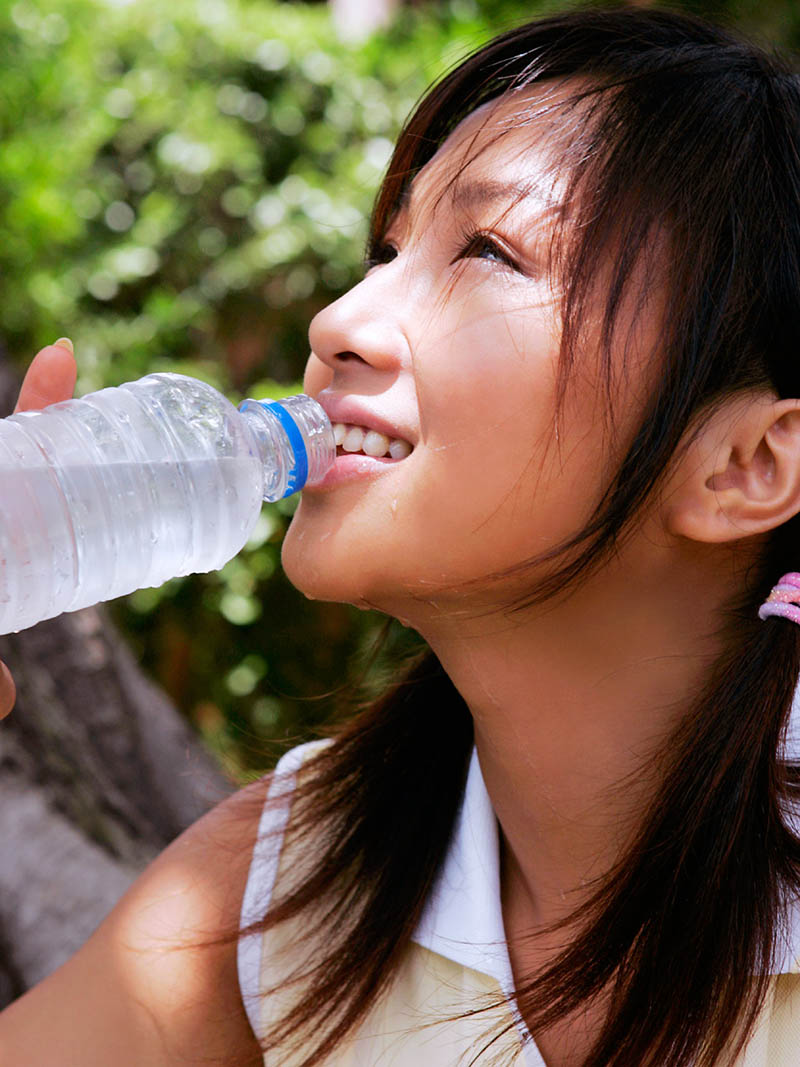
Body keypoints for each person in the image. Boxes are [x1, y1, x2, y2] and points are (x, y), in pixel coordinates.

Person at [3, 6, 800, 1065]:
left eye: (489, 249)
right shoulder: (299, 875)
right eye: (384, 249)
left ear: (743, 465)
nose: (337, 320)